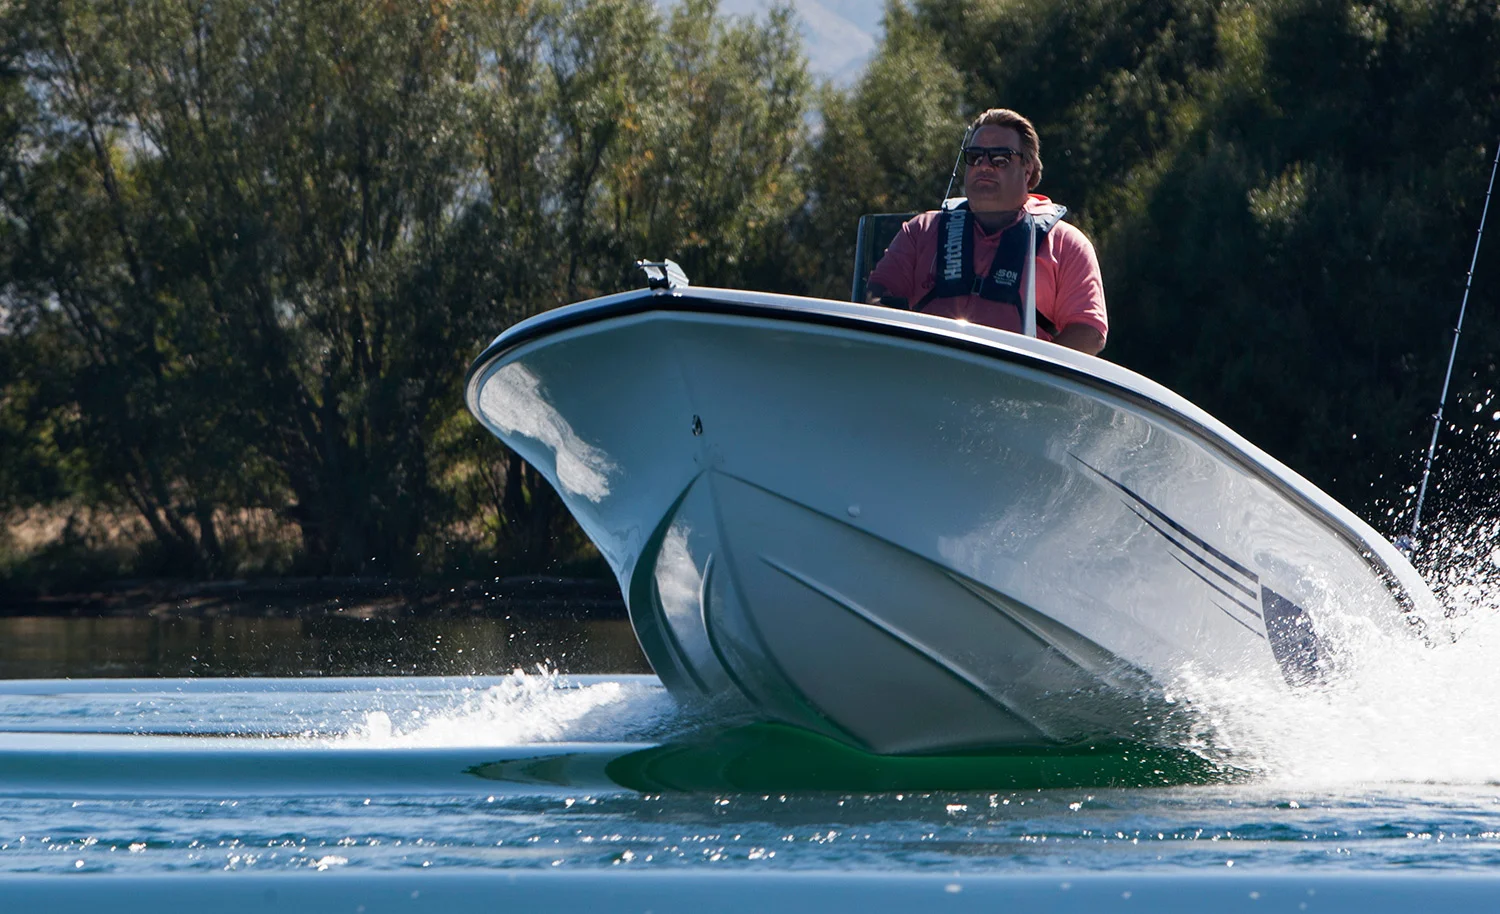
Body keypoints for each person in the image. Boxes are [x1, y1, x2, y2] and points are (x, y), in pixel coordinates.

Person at [866, 108, 1107, 355]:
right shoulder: (921, 231)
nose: (984, 166)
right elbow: (875, 299)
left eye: (1000, 158)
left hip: (1014, 377)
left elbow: (1089, 332)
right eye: (975, 157)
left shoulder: (1067, 244)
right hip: (927, 371)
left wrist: (1027, 371)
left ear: (1027, 171)